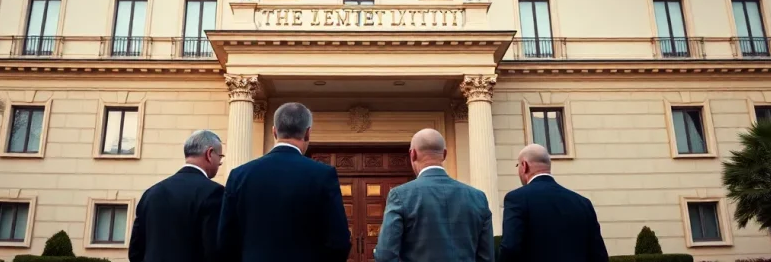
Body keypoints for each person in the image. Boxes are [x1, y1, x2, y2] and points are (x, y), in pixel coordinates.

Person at [217, 102, 350, 262]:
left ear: (274, 131)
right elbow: (339, 241)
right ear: (307, 133)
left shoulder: (239, 175)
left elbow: (225, 241)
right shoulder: (323, 175)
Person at [374, 129, 494, 262]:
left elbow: (385, 256)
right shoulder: (478, 197)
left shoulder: (400, 195)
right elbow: (487, 257)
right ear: (444, 154)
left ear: (412, 154)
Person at [499, 144, 609, 262]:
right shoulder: (583, 203)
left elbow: (510, 248)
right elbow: (599, 255)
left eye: (518, 165)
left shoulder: (516, 198)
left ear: (524, 166)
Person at [129, 130, 225, 262]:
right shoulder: (215, 193)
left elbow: (135, 252)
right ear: (209, 154)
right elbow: (214, 251)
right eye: (220, 158)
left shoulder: (151, 193)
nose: (220, 164)